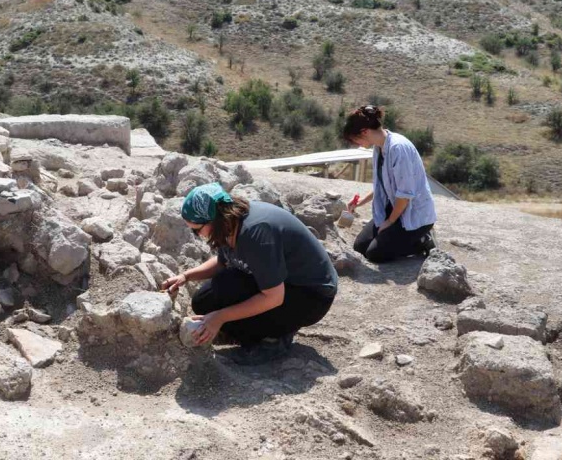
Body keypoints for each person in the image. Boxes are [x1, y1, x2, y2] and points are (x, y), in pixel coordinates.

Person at [161, 182, 338, 364]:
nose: (197, 235)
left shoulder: (255, 233)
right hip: (281, 281)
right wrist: (186, 276)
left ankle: (274, 340)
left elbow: (274, 297)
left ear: (213, 219)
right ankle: (247, 331)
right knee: (205, 301)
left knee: (223, 316)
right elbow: (223, 263)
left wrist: (220, 317)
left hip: (311, 295)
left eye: (197, 230)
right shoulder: (229, 222)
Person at [343, 105, 437, 263]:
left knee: (375, 254)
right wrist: (359, 203)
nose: (357, 144)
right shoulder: (378, 148)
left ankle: (422, 240)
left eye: (355, 139)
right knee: (360, 247)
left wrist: (389, 222)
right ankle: (398, 237)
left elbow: (405, 195)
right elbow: (382, 185)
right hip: (394, 208)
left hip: (413, 214)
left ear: (364, 131)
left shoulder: (398, 148)